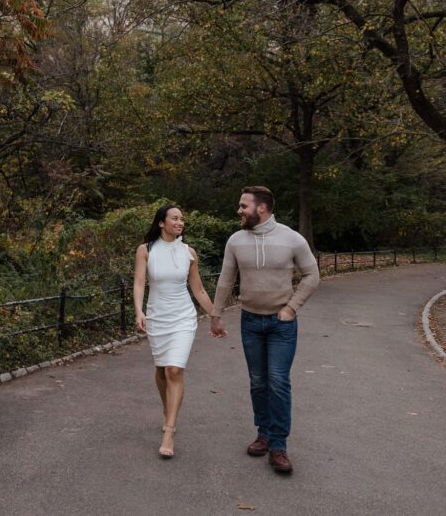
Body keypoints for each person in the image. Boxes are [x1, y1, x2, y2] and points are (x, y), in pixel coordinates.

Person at [210, 186, 319, 474]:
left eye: (243, 205)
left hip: (281, 324)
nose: (239, 210)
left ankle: (279, 446)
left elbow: (312, 274)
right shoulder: (235, 241)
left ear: (261, 208)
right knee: (258, 381)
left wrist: (291, 308)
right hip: (250, 321)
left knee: (278, 381)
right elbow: (225, 279)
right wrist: (215, 314)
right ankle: (264, 434)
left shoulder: (292, 239)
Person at [133, 204, 216, 459]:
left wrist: (216, 316)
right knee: (161, 370)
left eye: (182, 218)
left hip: (183, 317)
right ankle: (168, 409)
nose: (180, 222)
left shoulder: (189, 252)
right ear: (161, 223)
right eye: (175, 218)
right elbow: (139, 282)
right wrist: (139, 311)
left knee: (174, 370)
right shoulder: (146, 250)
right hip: (157, 317)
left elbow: (198, 290)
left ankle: (169, 430)